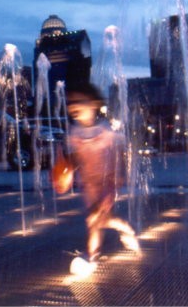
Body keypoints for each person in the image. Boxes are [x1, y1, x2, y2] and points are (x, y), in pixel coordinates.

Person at [65, 83, 140, 262]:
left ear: (94, 104)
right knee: (101, 220)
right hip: (88, 184)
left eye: (79, 101)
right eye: (71, 102)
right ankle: (126, 229)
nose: (74, 106)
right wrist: (66, 172)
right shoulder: (74, 133)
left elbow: (118, 154)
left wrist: (120, 175)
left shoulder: (105, 130)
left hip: (107, 182)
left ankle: (91, 256)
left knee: (94, 219)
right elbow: (73, 160)